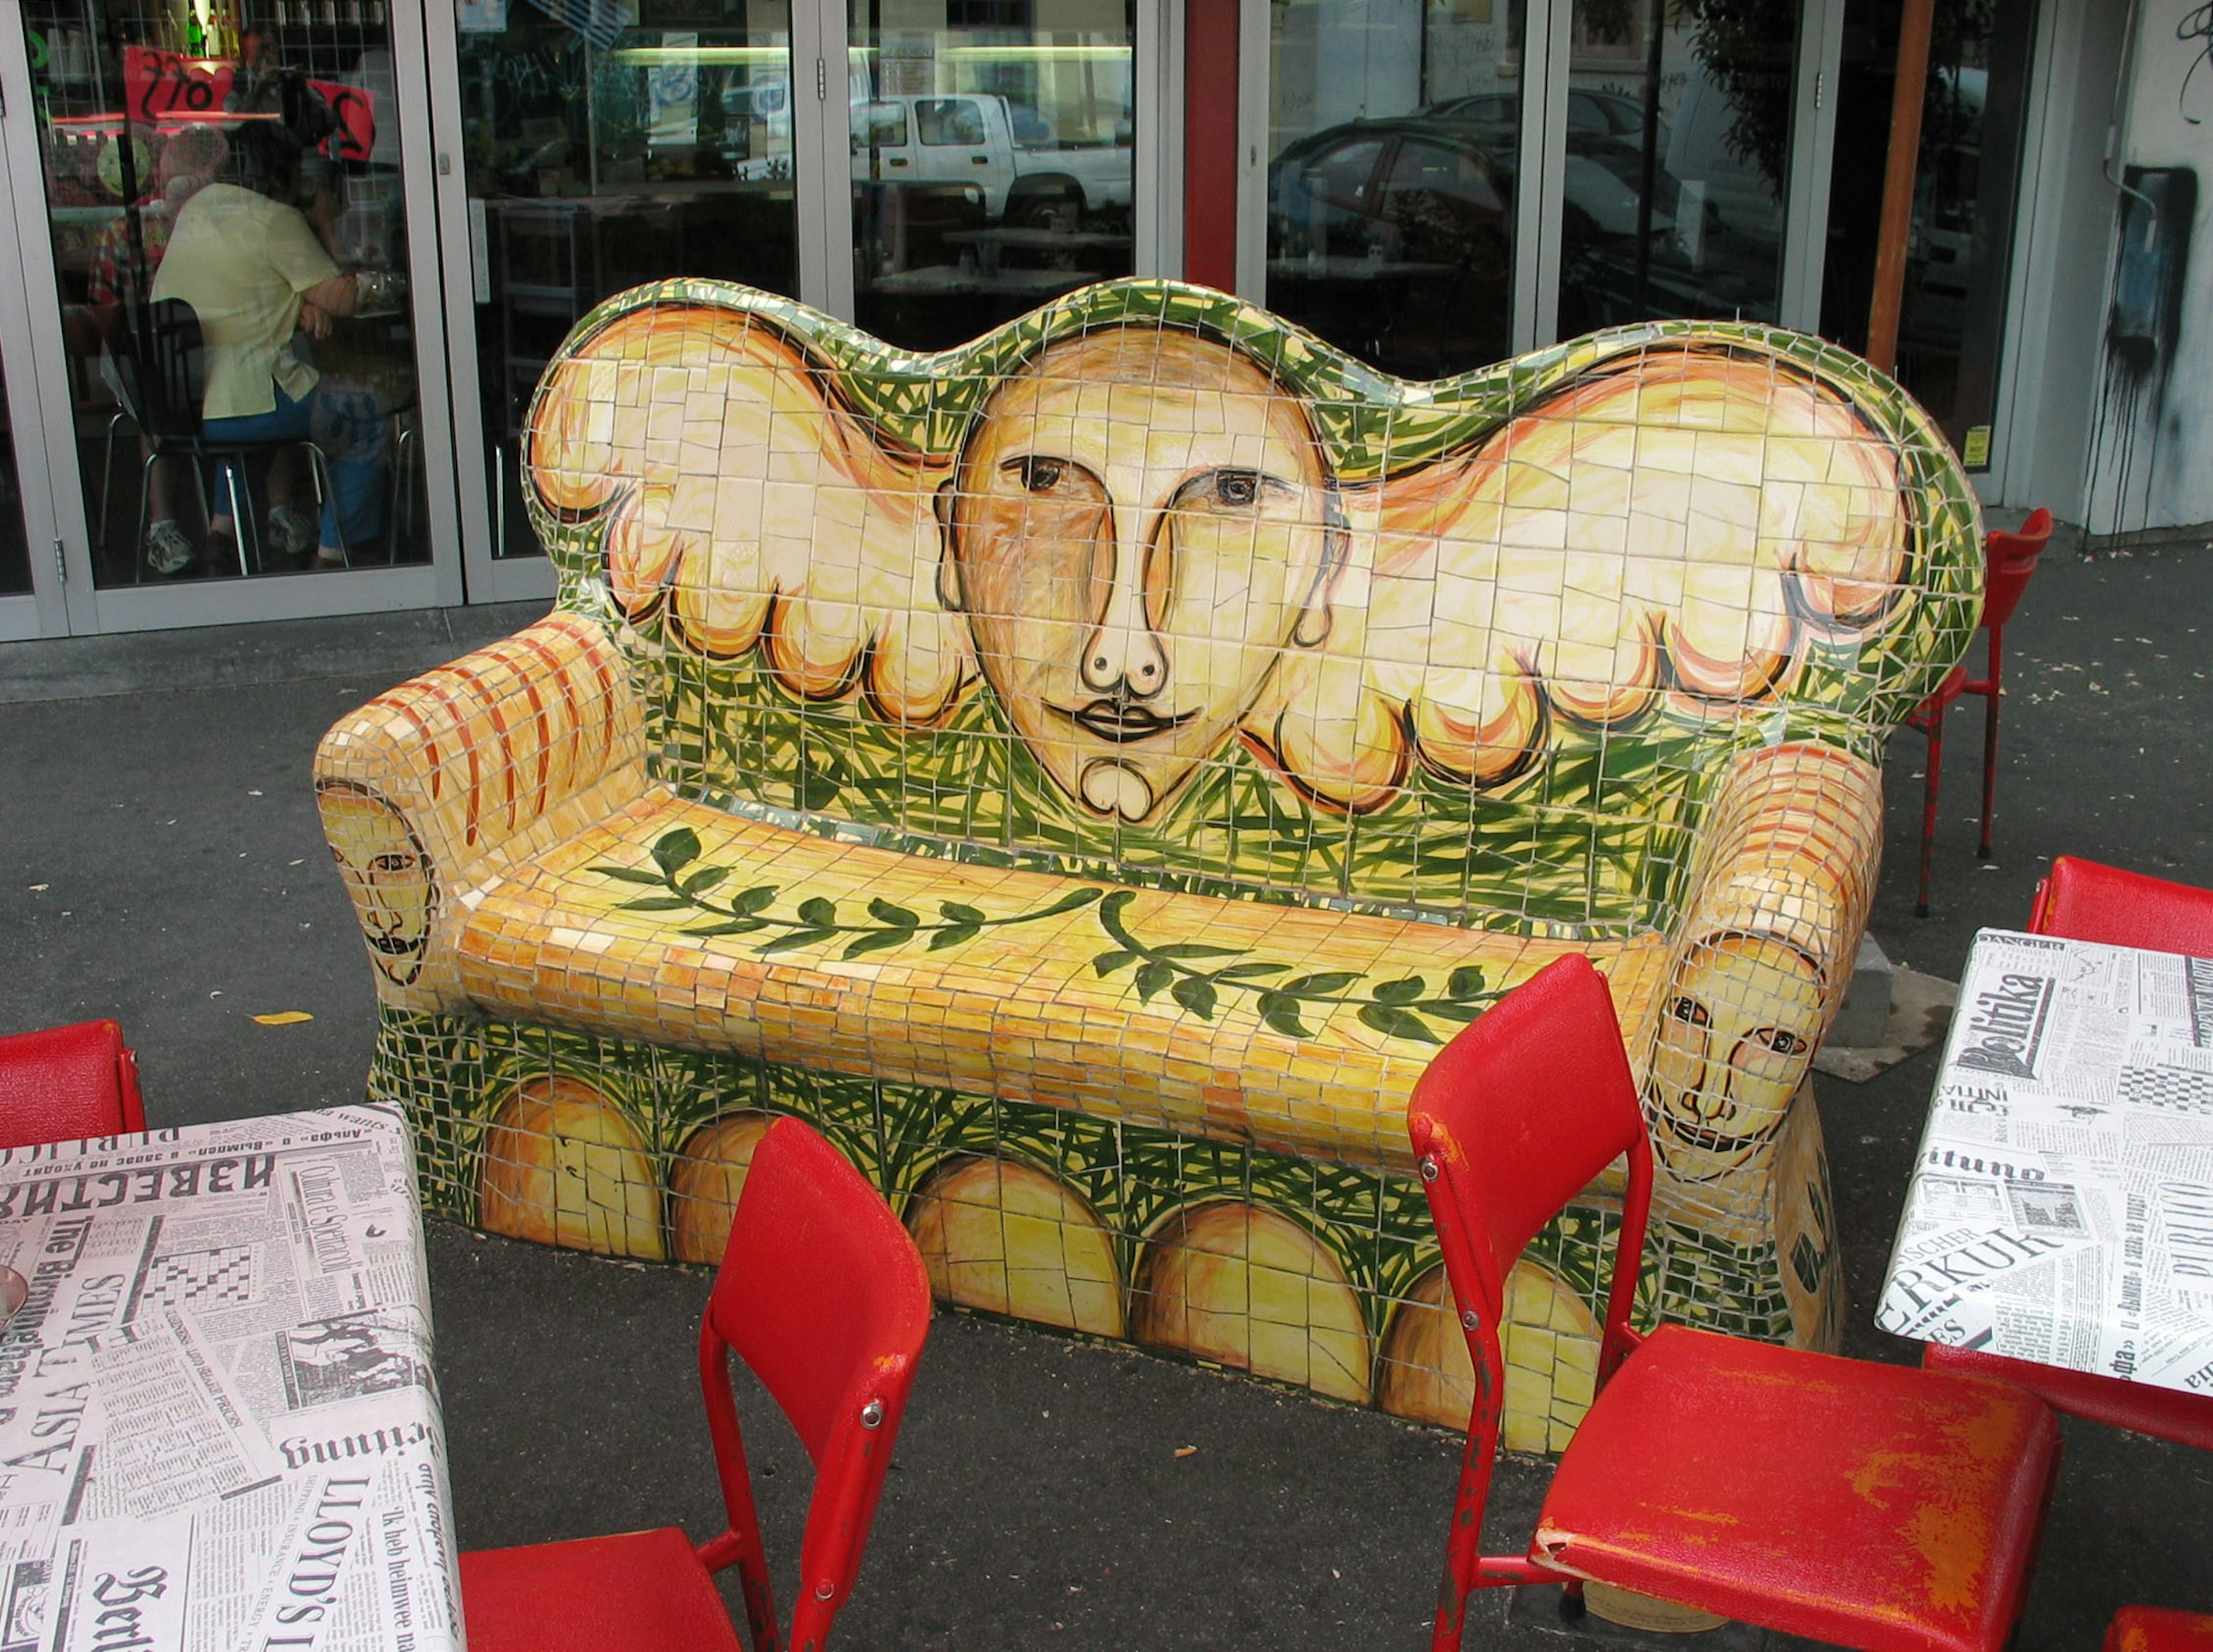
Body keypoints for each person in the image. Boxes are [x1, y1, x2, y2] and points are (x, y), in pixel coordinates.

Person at [151, 119, 388, 570]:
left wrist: (296, 302)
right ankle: (338, 552)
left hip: (188, 406)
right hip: (250, 408)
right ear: (280, 176)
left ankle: (223, 533)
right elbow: (341, 298)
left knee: (246, 407)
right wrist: (326, 227)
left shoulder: (195, 214)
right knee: (366, 411)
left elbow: (242, 286)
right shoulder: (276, 219)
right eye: (299, 174)